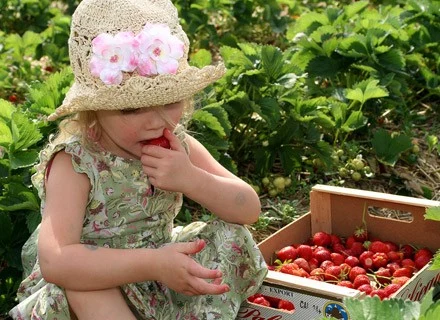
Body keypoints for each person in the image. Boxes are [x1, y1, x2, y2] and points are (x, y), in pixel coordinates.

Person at [9, 0, 267, 319]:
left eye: (169, 102)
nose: (155, 122)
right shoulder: (76, 162)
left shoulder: (178, 145)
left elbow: (248, 209)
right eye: (131, 108)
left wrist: (192, 179)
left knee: (232, 233)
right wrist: (153, 264)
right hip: (98, 291)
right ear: (95, 109)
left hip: (162, 279)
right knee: (83, 283)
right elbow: (56, 261)